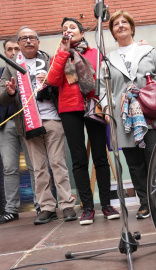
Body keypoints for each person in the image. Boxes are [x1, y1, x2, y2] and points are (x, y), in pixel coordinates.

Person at [99, 10, 156, 219]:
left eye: (125, 22)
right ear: (113, 32)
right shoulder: (107, 59)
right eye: (116, 24)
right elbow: (103, 89)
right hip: (124, 119)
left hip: (151, 114)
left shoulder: (148, 51)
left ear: (132, 28)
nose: (121, 25)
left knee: (155, 159)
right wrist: (106, 109)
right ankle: (145, 203)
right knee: (134, 163)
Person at [0, 26, 77, 225]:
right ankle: (47, 207)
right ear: (18, 43)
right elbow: (2, 98)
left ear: (38, 41)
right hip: (28, 122)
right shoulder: (10, 66)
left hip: (52, 119)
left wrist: (51, 84)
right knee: (38, 168)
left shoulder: (50, 60)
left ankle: (67, 204)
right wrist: (9, 92)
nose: (28, 41)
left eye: (32, 37)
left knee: (58, 164)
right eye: (24, 38)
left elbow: (67, 84)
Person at [47, 17, 120, 225]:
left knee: (100, 157)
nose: (68, 31)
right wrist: (63, 52)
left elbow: (105, 83)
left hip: (93, 105)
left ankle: (106, 204)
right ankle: (87, 207)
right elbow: (52, 80)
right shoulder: (59, 55)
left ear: (82, 33)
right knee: (79, 160)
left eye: (72, 27)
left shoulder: (95, 54)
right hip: (69, 110)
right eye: (64, 29)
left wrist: (106, 108)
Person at [0, 37, 40, 224]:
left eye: (17, 48)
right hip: (7, 125)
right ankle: (11, 209)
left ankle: (41, 203)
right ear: (5, 53)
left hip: (28, 122)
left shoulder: (30, 69)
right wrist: (8, 92)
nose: (14, 52)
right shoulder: (2, 74)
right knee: (9, 168)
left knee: (35, 165)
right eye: (10, 49)